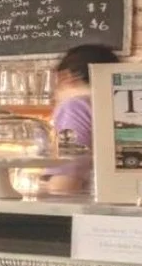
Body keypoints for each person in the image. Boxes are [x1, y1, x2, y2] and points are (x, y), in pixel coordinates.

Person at [43, 43, 121, 196]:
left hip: (86, 208)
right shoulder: (118, 105)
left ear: (67, 77)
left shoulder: (75, 106)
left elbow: (65, 181)